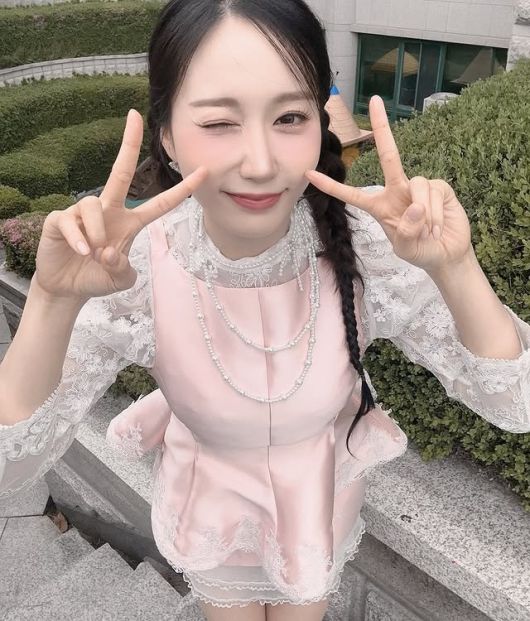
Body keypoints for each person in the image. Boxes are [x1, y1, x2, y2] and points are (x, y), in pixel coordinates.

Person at [0, 1, 528, 619]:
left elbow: (515, 403)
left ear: (319, 125)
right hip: (211, 516)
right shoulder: (134, 269)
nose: (259, 162)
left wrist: (454, 266)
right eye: (220, 122)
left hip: (320, 506)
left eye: (290, 117)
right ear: (167, 135)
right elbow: (11, 467)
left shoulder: (366, 243)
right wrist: (53, 299)